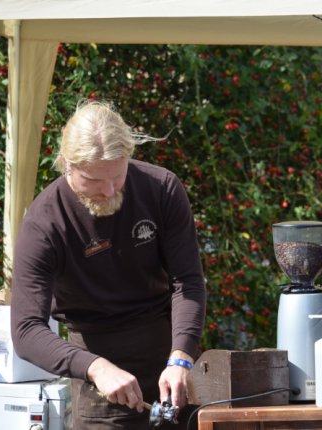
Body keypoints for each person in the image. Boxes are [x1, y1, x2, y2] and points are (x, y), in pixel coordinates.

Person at [11, 100, 207, 429]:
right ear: (67, 164)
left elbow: (187, 282)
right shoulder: (44, 222)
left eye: (118, 175)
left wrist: (182, 355)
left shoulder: (162, 189)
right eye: (94, 180)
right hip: (96, 377)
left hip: (170, 364)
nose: (110, 190)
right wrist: (96, 368)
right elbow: (26, 330)